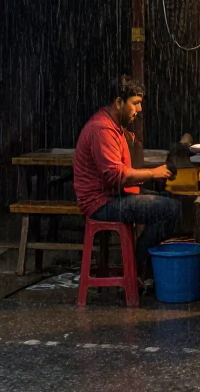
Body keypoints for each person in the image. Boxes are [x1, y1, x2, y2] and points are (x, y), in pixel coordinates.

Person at [73, 75, 178, 288]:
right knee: (170, 210)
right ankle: (139, 271)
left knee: (166, 200)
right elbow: (117, 175)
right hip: (101, 204)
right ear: (119, 102)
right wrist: (154, 173)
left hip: (112, 196)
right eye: (135, 103)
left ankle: (141, 269)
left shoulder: (113, 125)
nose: (138, 110)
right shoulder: (102, 129)